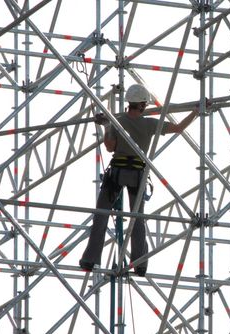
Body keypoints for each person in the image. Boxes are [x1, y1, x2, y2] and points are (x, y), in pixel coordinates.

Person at [79, 84, 199, 276]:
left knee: (101, 215)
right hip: (136, 174)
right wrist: (196, 112)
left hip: (117, 173)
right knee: (137, 219)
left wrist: (107, 126)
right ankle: (140, 264)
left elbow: (109, 147)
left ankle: (89, 260)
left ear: (129, 102)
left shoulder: (116, 120)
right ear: (143, 105)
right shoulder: (149, 124)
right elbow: (177, 128)